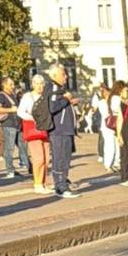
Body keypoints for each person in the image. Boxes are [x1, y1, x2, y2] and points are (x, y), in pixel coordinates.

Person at [44, 63, 80, 198]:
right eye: (63, 74)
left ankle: (62, 183)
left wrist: (69, 101)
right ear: (54, 75)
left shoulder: (58, 88)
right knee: (60, 159)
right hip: (59, 130)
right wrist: (66, 99)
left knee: (65, 158)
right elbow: (53, 107)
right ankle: (60, 187)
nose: (66, 76)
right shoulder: (53, 87)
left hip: (65, 129)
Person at [18, 74, 51, 194]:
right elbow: (20, 112)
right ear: (33, 84)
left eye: (41, 83)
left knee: (46, 159)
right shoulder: (28, 96)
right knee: (38, 159)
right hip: (34, 130)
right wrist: (33, 118)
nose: (39, 86)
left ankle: (43, 182)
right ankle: (37, 184)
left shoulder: (45, 96)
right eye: (37, 83)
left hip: (45, 129)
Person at [0, 76, 29, 179]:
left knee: (23, 146)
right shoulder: (1, 96)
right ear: (4, 85)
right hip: (8, 125)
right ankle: (10, 170)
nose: (13, 86)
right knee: (9, 148)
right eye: (11, 84)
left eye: (13, 84)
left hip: (18, 125)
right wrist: (10, 109)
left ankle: (28, 166)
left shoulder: (13, 95)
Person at [100, 81, 124, 172]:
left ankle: (116, 163)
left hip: (111, 123)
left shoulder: (112, 98)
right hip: (110, 124)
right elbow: (115, 109)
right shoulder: (115, 98)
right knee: (110, 145)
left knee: (116, 144)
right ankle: (108, 164)